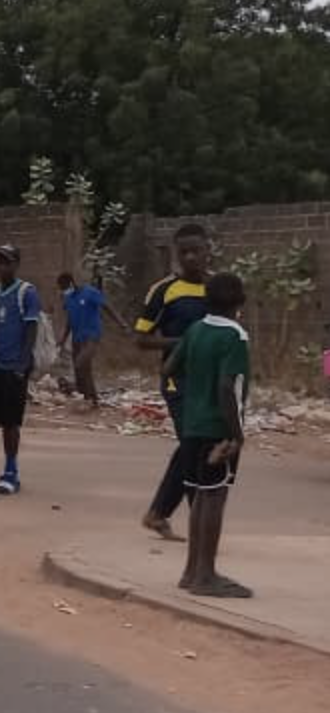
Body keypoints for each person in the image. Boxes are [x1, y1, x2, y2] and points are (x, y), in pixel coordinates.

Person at [158, 272, 251, 597]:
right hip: (219, 429)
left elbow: (169, 368)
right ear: (241, 302)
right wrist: (236, 436)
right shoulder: (235, 336)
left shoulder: (196, 330)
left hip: (193, 424)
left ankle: (191, 570)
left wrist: (196, 383)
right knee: (215, 497)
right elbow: (227, 386)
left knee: (199, 494)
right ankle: (206, 575)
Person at [137, 224, 215, 541]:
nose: (191, 257)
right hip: (177, 380)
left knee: (195, 445)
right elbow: (142, 339)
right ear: (176, 254)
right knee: (194, 443)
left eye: (197, 250)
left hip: (211, 382)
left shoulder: (219, 287)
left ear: (209, 250)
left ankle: (158, 513)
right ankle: (199, 524)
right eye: (184, 252)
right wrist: (184, 343)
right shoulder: (163, 290)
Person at [0, 244, 41, 495]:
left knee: (11, 422)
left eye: (6, 262)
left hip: (15, 365)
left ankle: (11, 472)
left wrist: (23, 363)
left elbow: (31, 329)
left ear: (16, 264)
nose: (0, 267)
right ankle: (6, 470)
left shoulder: (27, 292)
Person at [58, 271, 126, 408]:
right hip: (77, 338)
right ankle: (90, 398)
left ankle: (89, 397)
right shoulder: (68, 299)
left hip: (91, 336)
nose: (63, 291)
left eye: (64, 287)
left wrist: (121, 323)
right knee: (82, 369)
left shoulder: (90, 292)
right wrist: (63, 338)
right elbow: (70, 320)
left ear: (71, 283)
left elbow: (107, 306)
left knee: (80, 363)